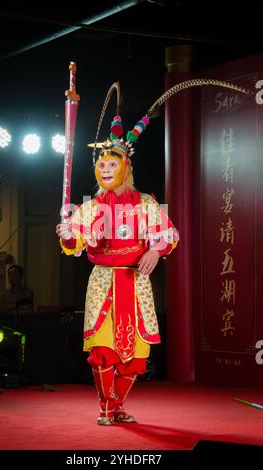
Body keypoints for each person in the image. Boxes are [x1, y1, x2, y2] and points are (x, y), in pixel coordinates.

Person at [56, 113, 179, 426]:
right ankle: (105, 406)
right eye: (102, 165)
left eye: (113, 164)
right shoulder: (92, 206)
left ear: (126, 168)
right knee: (102, 347)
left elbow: (169, 233)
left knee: (136, 354)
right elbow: (75, 242)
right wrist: (68, 233)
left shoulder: (145, 202)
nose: (106, 169)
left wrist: (155, 248)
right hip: (103, 281)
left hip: (136, 281)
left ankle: (118, 404)